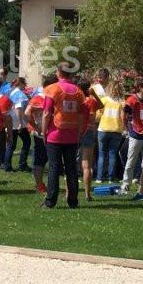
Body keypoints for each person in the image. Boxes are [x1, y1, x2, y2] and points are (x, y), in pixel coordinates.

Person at [41, 62, 87, 209]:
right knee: (71, 168)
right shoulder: (78, 91)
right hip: (72, 134)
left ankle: (50, 201)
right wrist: (79, 132)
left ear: (58, 72)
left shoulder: (52, 89)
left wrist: (43, 132)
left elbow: (47, 113)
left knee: (54, 168)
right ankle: (73, 201)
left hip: (55, 134)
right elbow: (81, 114)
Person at [25, 74, 57, 194]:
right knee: (54, 161)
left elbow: (27, 113)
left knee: (39, 161)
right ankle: (52, 186)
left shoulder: (37, 97)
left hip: (40, 133)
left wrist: (36, 126)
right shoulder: (54, 97)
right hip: (53, 133)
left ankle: (39, 185)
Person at [121, 79, 143, 193]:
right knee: (131, 160)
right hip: (135, 133)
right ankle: (125, 184)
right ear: (140, 87)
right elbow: (124, 114)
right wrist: (125, 128)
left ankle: (142, 184)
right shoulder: (132, 100)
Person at [95, 78, 125, 183]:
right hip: (116, 130)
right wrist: (124, 128)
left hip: (103, 129)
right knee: (113, 153)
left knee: (102, 153)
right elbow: (122, 117)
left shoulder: (104, 100)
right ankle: (111, 177)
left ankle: (99, 177)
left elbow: (98, 115)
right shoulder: (121, 102)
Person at [77, 79, 99, 201]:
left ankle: (69, 192)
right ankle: (87, 194)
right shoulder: (91, 101)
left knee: (72, 163)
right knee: (87, 165)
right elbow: (101, 106)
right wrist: (94, 94)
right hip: (89, 131)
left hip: (77, 131)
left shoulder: (78, 101)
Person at [3, 77, 31, 172]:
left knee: (11, 144)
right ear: (21, 84)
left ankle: (6, 165)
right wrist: (20, 123)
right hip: (18, 122)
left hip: (10, 120)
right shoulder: (20, 94)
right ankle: (22, 164)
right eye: (24, 84)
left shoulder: (9, 92)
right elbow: (18, 108)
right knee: (27, 142)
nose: (25, 86)